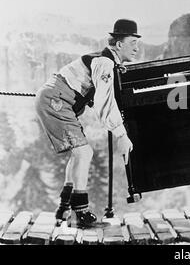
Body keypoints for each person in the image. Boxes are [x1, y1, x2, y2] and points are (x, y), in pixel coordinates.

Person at [35, 19, 140, 226]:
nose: (136, 48)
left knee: (78, 153)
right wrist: (122, 135)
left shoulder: (106, 60)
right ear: (119, 45)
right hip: (56, 101)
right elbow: (104, 103)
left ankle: (64, 207)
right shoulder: (105, 62)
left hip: (55, 99)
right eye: (132, 43)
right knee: (84, 152)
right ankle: (80, 212)